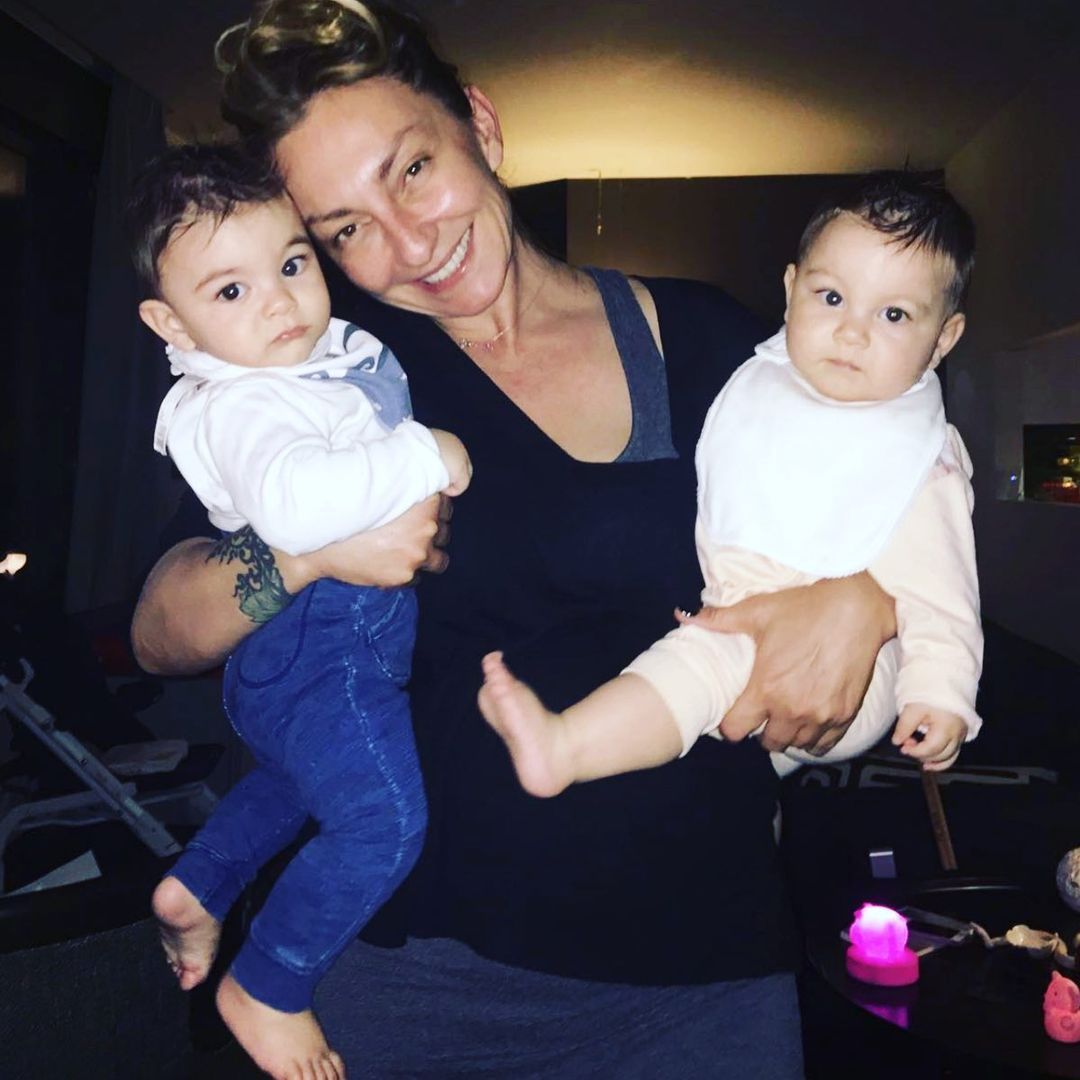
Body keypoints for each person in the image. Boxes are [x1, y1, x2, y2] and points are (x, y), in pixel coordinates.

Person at [132, 1, 900, 1075]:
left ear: (480, 127)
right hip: (419, 974)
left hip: (708, 971)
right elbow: (159, 628)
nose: (409, 244)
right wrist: (301, 556)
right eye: (345, 229)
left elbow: (895, 494)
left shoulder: (715, 341)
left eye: (413, 170)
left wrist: (869, 600)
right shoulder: (333, 374)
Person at [131, 143, 471, 1080]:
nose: (278, 302)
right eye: (230, 290)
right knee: (380, 822)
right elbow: (289, 511)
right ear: (172, 322)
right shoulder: (242, 402)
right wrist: (428, 454)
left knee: (294, 781)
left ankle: (200, 884)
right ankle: (270, 983)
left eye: (290, 264)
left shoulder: (302, 363)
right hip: (320, 642)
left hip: (311, 653)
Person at [478, 172, 982, 797]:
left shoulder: (922, 457)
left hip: (858, 675)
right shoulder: (760, 380)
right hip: (745, 614)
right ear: (792, 290)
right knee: (699, 662)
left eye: (895, 314)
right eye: (831, 297)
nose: (852, 332)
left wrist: (941, 694)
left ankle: (568, 748)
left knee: (701, 662)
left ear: (943, 338)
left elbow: (945, 593)